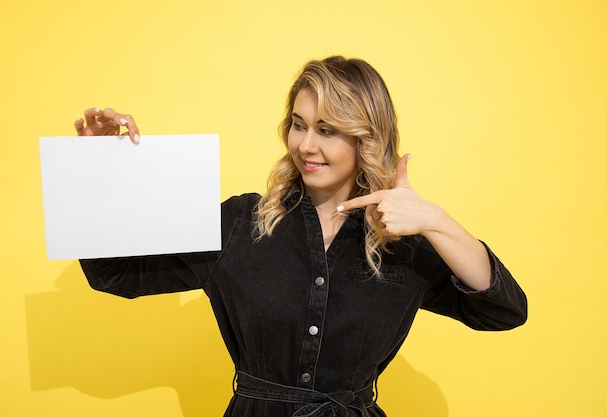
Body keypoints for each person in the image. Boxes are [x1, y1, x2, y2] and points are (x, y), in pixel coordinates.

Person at [75, 56, 527, 417]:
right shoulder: (240, 222)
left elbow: (503, 311)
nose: (306, 145)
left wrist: (437, 221)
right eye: (299, 124)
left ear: (365, 138)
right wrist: (96, 166)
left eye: (327, 130)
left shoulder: (401, 242)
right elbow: (116, 275)